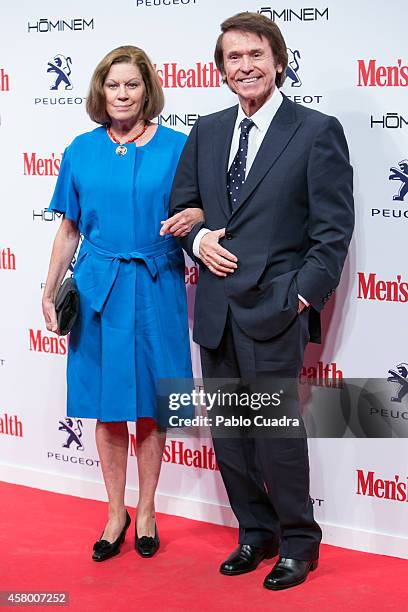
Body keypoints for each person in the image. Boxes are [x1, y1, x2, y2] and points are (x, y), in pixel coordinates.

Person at [167, 13, 354, 590]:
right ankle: (256, 532)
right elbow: (183, 206)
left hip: (275, 311)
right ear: (220, 68)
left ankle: (300, 541)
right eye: (233, 57)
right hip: (217, 312)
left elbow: (332, 233)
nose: (244, 66)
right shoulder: (208, 130)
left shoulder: (316, 130)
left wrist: (299, 297)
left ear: (278, 60)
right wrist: (199, 240)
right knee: (230, 439)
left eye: (255, 54)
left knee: (276, 438)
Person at [42, 46, 203, 562]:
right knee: (108, 408)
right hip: (97, 288)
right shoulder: (81, 149)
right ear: (100, 90)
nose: (122, 94)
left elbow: (200, 207)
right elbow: (68, 227)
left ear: (147, 89)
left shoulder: (179, 146)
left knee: (153, 407)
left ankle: (149, 509)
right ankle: (116, 513)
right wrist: (48, 289)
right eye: (114, 85)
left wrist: (195, 213)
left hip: (158, 284)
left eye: (132, 85)